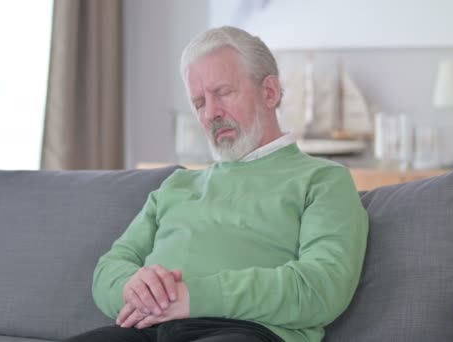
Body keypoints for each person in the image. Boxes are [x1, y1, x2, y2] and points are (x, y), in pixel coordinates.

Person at [66, 26, 368, 342]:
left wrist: (190, 297)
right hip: (145, 329)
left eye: (223, 92)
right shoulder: (177, 185)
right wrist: (134, 288)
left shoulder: (323, 179)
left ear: (269, 92)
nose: (211, 113)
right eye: (198, 102)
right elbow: (109, 269)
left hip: (245, 331)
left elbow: (321, 288)